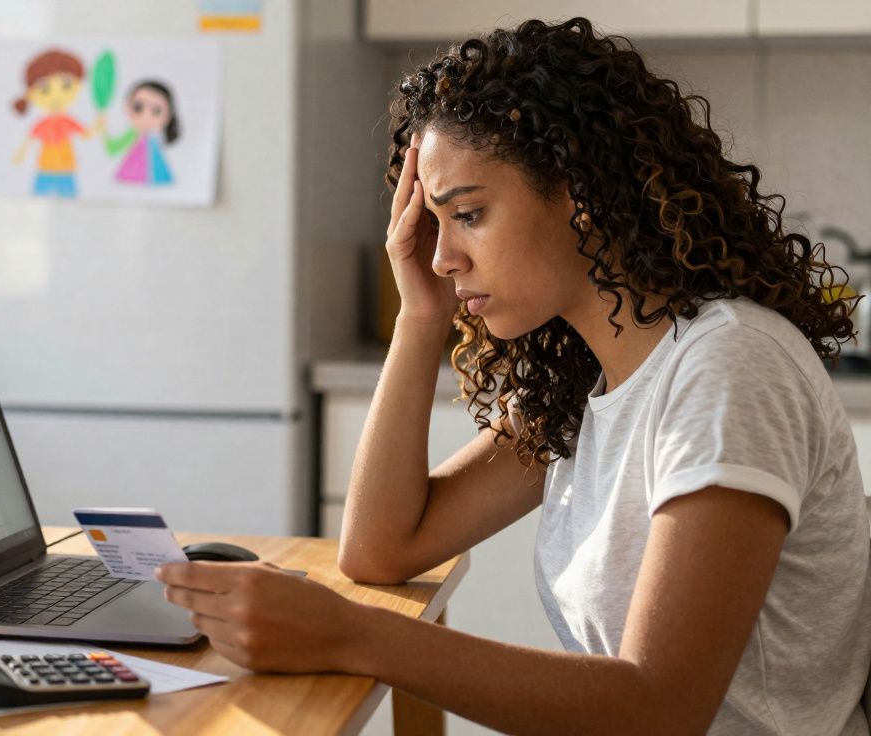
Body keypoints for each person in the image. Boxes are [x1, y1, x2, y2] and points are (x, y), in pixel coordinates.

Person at [156, 17, 871, 734]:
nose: (442, 256)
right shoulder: (590, 379)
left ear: (582, 193)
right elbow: (381, 549)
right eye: (436, 223)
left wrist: (350, 634)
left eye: (468, 213)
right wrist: (420, 319)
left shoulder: (729, 364)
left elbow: (661, 708)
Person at [11, 49, 101, 198]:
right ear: (31, 94)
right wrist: (21, 153)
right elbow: (31, 138)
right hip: (45, 167)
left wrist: (98, 124)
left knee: (69, 195)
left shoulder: (68, 121)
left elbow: (86, 135)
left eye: (66, 86)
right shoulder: (42, 123)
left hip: (66, 168)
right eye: (45, 90)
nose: (56, 97)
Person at [102, 80, 181, 185]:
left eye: (156, 111)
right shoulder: (133, 134)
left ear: (169, 114)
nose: (146, 116)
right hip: (129, 182)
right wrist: (103, 129)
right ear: (127, 107)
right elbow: (113, 148)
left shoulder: (155, 142)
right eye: (138, 108)